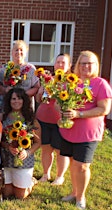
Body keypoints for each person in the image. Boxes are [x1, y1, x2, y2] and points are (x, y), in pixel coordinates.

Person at [59, 51, 112, 210]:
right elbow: (58, 102)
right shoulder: (71, 82)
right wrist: (63, 111)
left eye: (90, 63)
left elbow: (104, 109)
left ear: (96, 66)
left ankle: (81, 197)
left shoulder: (100, 84)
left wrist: (79, 114)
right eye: (83, 63)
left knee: (82, 165)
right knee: (73, 163)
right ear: (77, 65)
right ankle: (74, 192)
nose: (86, 66)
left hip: (88, 133)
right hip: (69, 131)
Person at [35, 53, 71, 185]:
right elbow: (39, 100)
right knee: (46, 148)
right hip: (43, 119)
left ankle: (59, 176)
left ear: (69, 66)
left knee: (60, 150)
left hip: (59, 121)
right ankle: (46, 174)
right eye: (58, 62)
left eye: (63, 62)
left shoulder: (70, 83)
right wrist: (39, 93)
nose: (60, 65)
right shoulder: (48, 80)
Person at [1, 88, 41, 199]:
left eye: (19, 98)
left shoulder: (30, 118)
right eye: (13, 99)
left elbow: (38, 142)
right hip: (7, 159)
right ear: (9, 101)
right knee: (7, 193)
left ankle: (31, 182)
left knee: (20, 195)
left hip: (24, 159)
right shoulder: (3, 117)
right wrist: (8, 146)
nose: (16, 101)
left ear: (24, 101)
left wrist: (27, 152)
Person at [0, 40, 40, 114]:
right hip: (7, 104)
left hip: (26, 104)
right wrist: (6, 90)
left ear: (25, 53)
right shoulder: (5, 68)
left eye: (21, 50)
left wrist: (24, 94)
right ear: (12, 52)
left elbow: (36, 87)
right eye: (16, 50)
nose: (18, 52)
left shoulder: (31, 69)